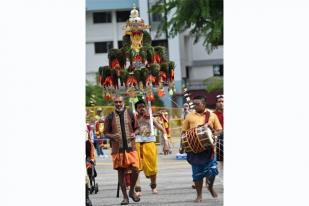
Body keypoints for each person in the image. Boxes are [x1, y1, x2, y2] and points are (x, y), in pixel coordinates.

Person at [182, 96, 222, 202]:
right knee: (197, 174)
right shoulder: (189, 116)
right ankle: (199, 195)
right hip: (194, 150)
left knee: (213, 171)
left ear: (204, 104)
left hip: (209, 149)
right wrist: (182, 146)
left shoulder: (212, 116)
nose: (195, 106)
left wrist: (212, 133)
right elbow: (183, 132)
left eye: (197, 104)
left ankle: (210, 186)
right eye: (194, 104)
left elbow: (219, 130)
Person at [103, 95, 141, 205]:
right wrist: (112, 136)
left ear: (123, 102)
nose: (118, 104)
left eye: (120, 102)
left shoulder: (130, 113)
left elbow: (137, 128)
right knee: (120, 172)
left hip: (131, 147)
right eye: (116, 102)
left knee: (135, 169)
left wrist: (135, 133)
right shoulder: (109, 117)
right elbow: (105, 133)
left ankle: (132, 191)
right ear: (113, 103)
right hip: (117, 149)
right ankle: (125, 197)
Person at [134, 99, 170, 195]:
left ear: (146, 107)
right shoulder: (134, 119)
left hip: (150, 144)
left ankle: (153, 185)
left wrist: (166, 143)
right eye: (139, 107)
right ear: (136, 109)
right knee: (136, 167)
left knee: (153, 168)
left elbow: (163, 130)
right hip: (137, 144)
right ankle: (138, 189)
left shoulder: (151, 118)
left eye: (143, 106)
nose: (142, 109)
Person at [213, 95, 224, 163]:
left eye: (223, 101)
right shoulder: (213, 115)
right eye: (219, 101)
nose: (221, 103)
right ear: (216, 103)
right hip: (218, 141)